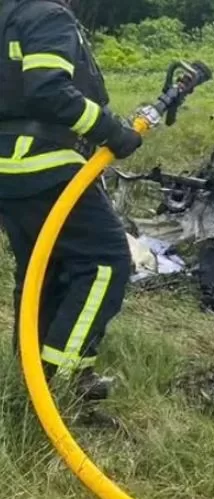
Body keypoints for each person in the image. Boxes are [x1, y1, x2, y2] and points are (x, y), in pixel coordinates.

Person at [0, 0, 142, 400]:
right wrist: (113, 132)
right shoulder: (46, 15)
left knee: (40, 273)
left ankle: (32, 378)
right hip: (46, 165)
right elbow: (49, 91)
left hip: (10, 171)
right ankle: (62, 386)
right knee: (105, 263)